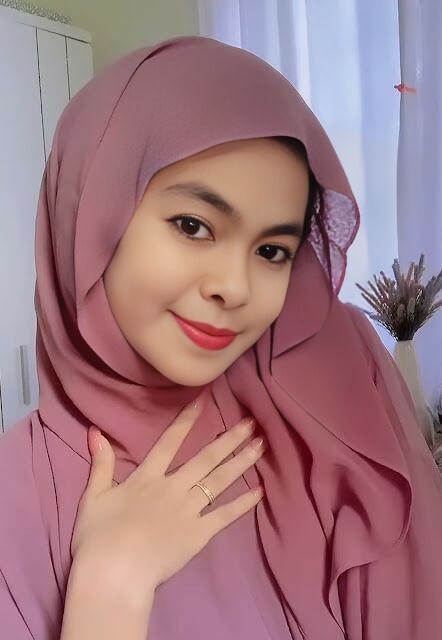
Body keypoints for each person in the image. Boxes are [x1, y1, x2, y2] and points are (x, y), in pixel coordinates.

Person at [0, 34, 441, 640]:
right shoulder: (18, 493)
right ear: (93, 214)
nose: (234, 287)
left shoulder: (325, 390)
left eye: (272, 251)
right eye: (193, 225)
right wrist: (109, 592)